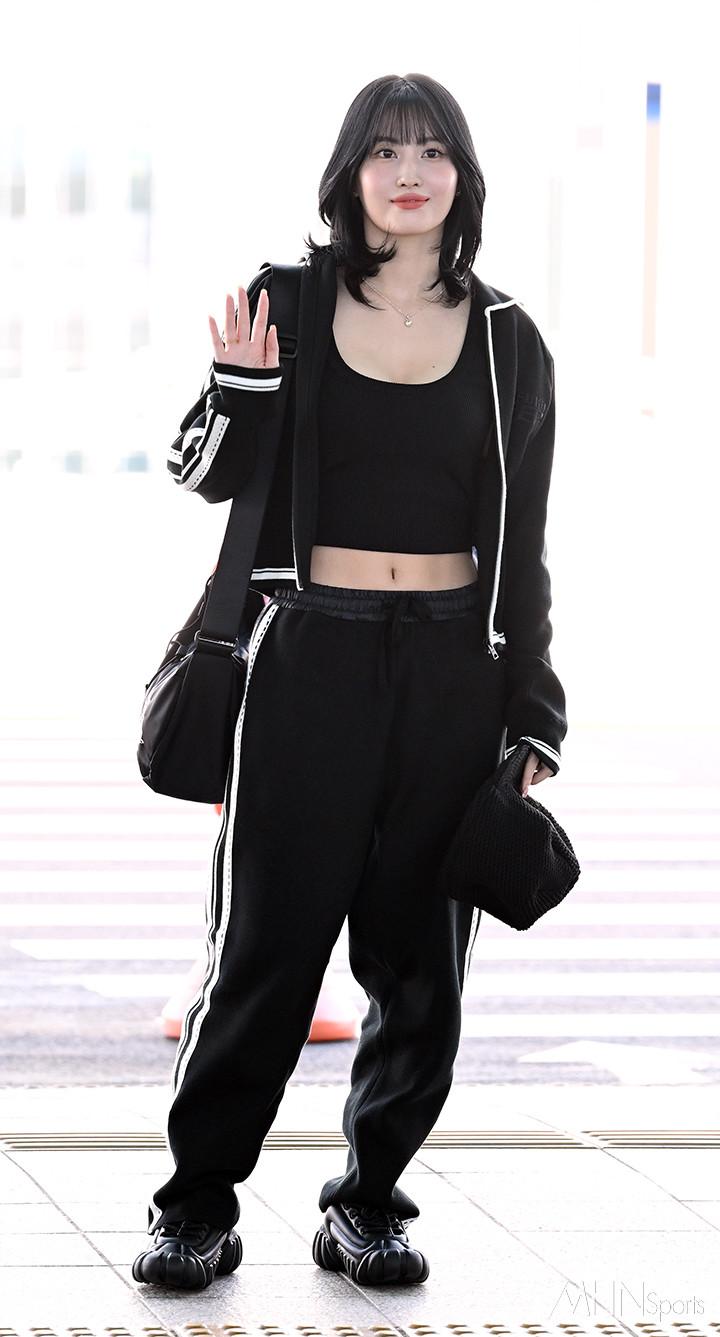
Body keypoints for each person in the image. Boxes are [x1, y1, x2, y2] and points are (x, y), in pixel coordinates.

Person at [133, 72, 566, 1293]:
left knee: (421, 968)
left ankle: (368, 1204)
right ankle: (195, 1206)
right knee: (264, 951)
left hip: (453, 671)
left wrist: (535, 709)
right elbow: (200, 471)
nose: (409, 171)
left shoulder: (509, 341)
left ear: (463, 176)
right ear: (350, 174)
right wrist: (239, 390)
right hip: (309, 657)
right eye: (386, 151)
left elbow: (524, 547)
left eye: (432, 150)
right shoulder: (288, 299)